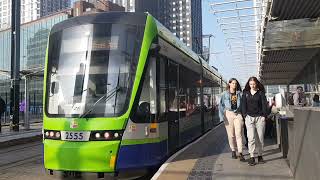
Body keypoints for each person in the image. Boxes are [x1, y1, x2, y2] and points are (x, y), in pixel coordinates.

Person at [241, 77, 268, 166]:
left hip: (260, 118)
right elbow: (243, 105)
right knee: (251, 138)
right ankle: (252, 156)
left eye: (253, 84)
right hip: (249, 118)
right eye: (250, 84)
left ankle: (260, 156)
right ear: (248, 84)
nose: (252, 85)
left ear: (256, 83)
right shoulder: (245, 93)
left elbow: (264, 105)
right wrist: (245, 115)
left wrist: (264, 115)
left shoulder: (260, 93)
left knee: (260, 138)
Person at [219, 78, 245, 162]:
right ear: (229, 84)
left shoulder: (240, 94)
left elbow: (244, 104)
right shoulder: (224, 94)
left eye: (235, 83)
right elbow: (221, 106)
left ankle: (240, 152)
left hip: (238, 114)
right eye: (233, 83)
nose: (234, 85)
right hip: (228, 114)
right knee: (231, 135)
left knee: (239, 134)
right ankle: (233, 150)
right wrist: (222, 117)